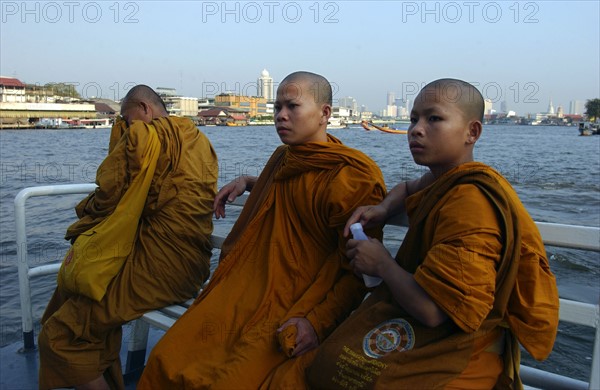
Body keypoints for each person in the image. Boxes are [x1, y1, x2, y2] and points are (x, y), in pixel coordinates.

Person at [137, 71, 387, 389]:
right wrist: (249, 182)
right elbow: (288, 188)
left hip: (297, 303)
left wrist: (317, 321)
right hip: (245, 289)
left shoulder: (352, 176)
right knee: (165, 359)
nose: (281, 115)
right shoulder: (283, 159)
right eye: (277, 107)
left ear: (324, 114)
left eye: (292, 106)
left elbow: (357, 270)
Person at [306, 78, 560, 389]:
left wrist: (382, 264)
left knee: (335, 367)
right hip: (428, 328)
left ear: (472, 132)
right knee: (329, 363)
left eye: (434, 118)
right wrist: (383, 209)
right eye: (413, 119)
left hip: (460, 349)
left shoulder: (471, 202)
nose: (416, 129)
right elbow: (408, 188)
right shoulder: (444, 178)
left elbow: (433, 312)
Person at [38, 85, 218, 390]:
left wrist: (85, 210)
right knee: (76, 297)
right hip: (193, 266)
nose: (123, 126)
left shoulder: (144, 137)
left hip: (158, 271)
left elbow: (110, 193)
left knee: (59, 334)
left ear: (144, 109)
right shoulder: (198, 140)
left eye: (126, 118)